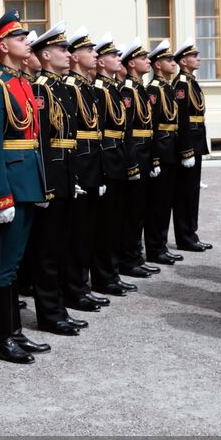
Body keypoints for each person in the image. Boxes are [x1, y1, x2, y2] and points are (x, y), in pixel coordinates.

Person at [0, 11, 46, 364]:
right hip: (10, 187)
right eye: (20, 39)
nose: (27, 43)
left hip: (27, 182)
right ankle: (1, 337)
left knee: (14, 263)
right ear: (2, 47)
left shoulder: (21, 83)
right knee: (2, 265)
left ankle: (14, 331)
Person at [26, 25, 82, 337]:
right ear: (45, 55)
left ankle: (59, 308)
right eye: (62, 50)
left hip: (65, 174)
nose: (68, 54)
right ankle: (49, 314)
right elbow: (41, 142)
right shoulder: (40, 89)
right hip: (51, 177)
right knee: (46, 251)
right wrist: (44, 184)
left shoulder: (62, 88)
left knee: (61, 246)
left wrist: (73, 177)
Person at [64, 30, 109, 311]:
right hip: (80, 163)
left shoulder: (87, 86)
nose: (94, 55)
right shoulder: (70, 86)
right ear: (75, 57)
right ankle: (74, 289)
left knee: (89, 230)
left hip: (92, 162)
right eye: (89, 51)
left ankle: (83, 285)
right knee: (76, 233)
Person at [88, 38, 136, 297]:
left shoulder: (114, 87)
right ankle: (103, 276)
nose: (119, 59)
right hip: (108, 157)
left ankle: (112, 272)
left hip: (118, 155)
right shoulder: (98, 88)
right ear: (101, 62)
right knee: (105, 225)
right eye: (113, 56)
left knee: (116, 221)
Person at [118, 40, 158, 280]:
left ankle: (135, 256)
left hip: (145, 152)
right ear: (131, 63)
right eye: (143, 58)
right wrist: (132, 163)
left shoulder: (139, 88)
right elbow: (128, 131)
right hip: (135, 153)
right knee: (132, 212)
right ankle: (129, 259)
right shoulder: (128, 90)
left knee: (140, 210)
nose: (148, 61)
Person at [143, 43, 182, 267]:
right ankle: (155, 248)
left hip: (171, 147)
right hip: (162, 148)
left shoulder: (167, 87)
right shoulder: (154, 90)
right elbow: (154, 126)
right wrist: (155, 157)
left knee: (166, 202)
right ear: (158, 65)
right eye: (169, 60)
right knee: (157, 204)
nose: (173, 64)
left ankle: (162, 245)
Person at [171, 41, 212, 252]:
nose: (198, 59)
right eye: (194, 56)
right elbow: (182, 119)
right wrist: (186, 150)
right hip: (188, 143)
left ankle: (191, 234)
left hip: (196, 140)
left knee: (192, 191)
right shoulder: (181, 84)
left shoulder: (191, 82)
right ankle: (185, 237)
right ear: (183, 61)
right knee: (185, 193)